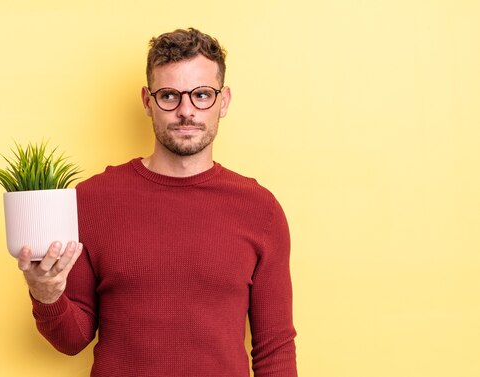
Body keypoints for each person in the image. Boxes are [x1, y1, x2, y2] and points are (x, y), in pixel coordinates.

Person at [18, 28, 297, 377]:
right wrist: (47, 294)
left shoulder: (260, 209)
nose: (185, 111)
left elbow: (275, 349)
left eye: (201, 95)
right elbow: (72, 340)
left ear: (223, 101)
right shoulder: (90, 200)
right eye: (169, 95)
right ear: (148, 102)